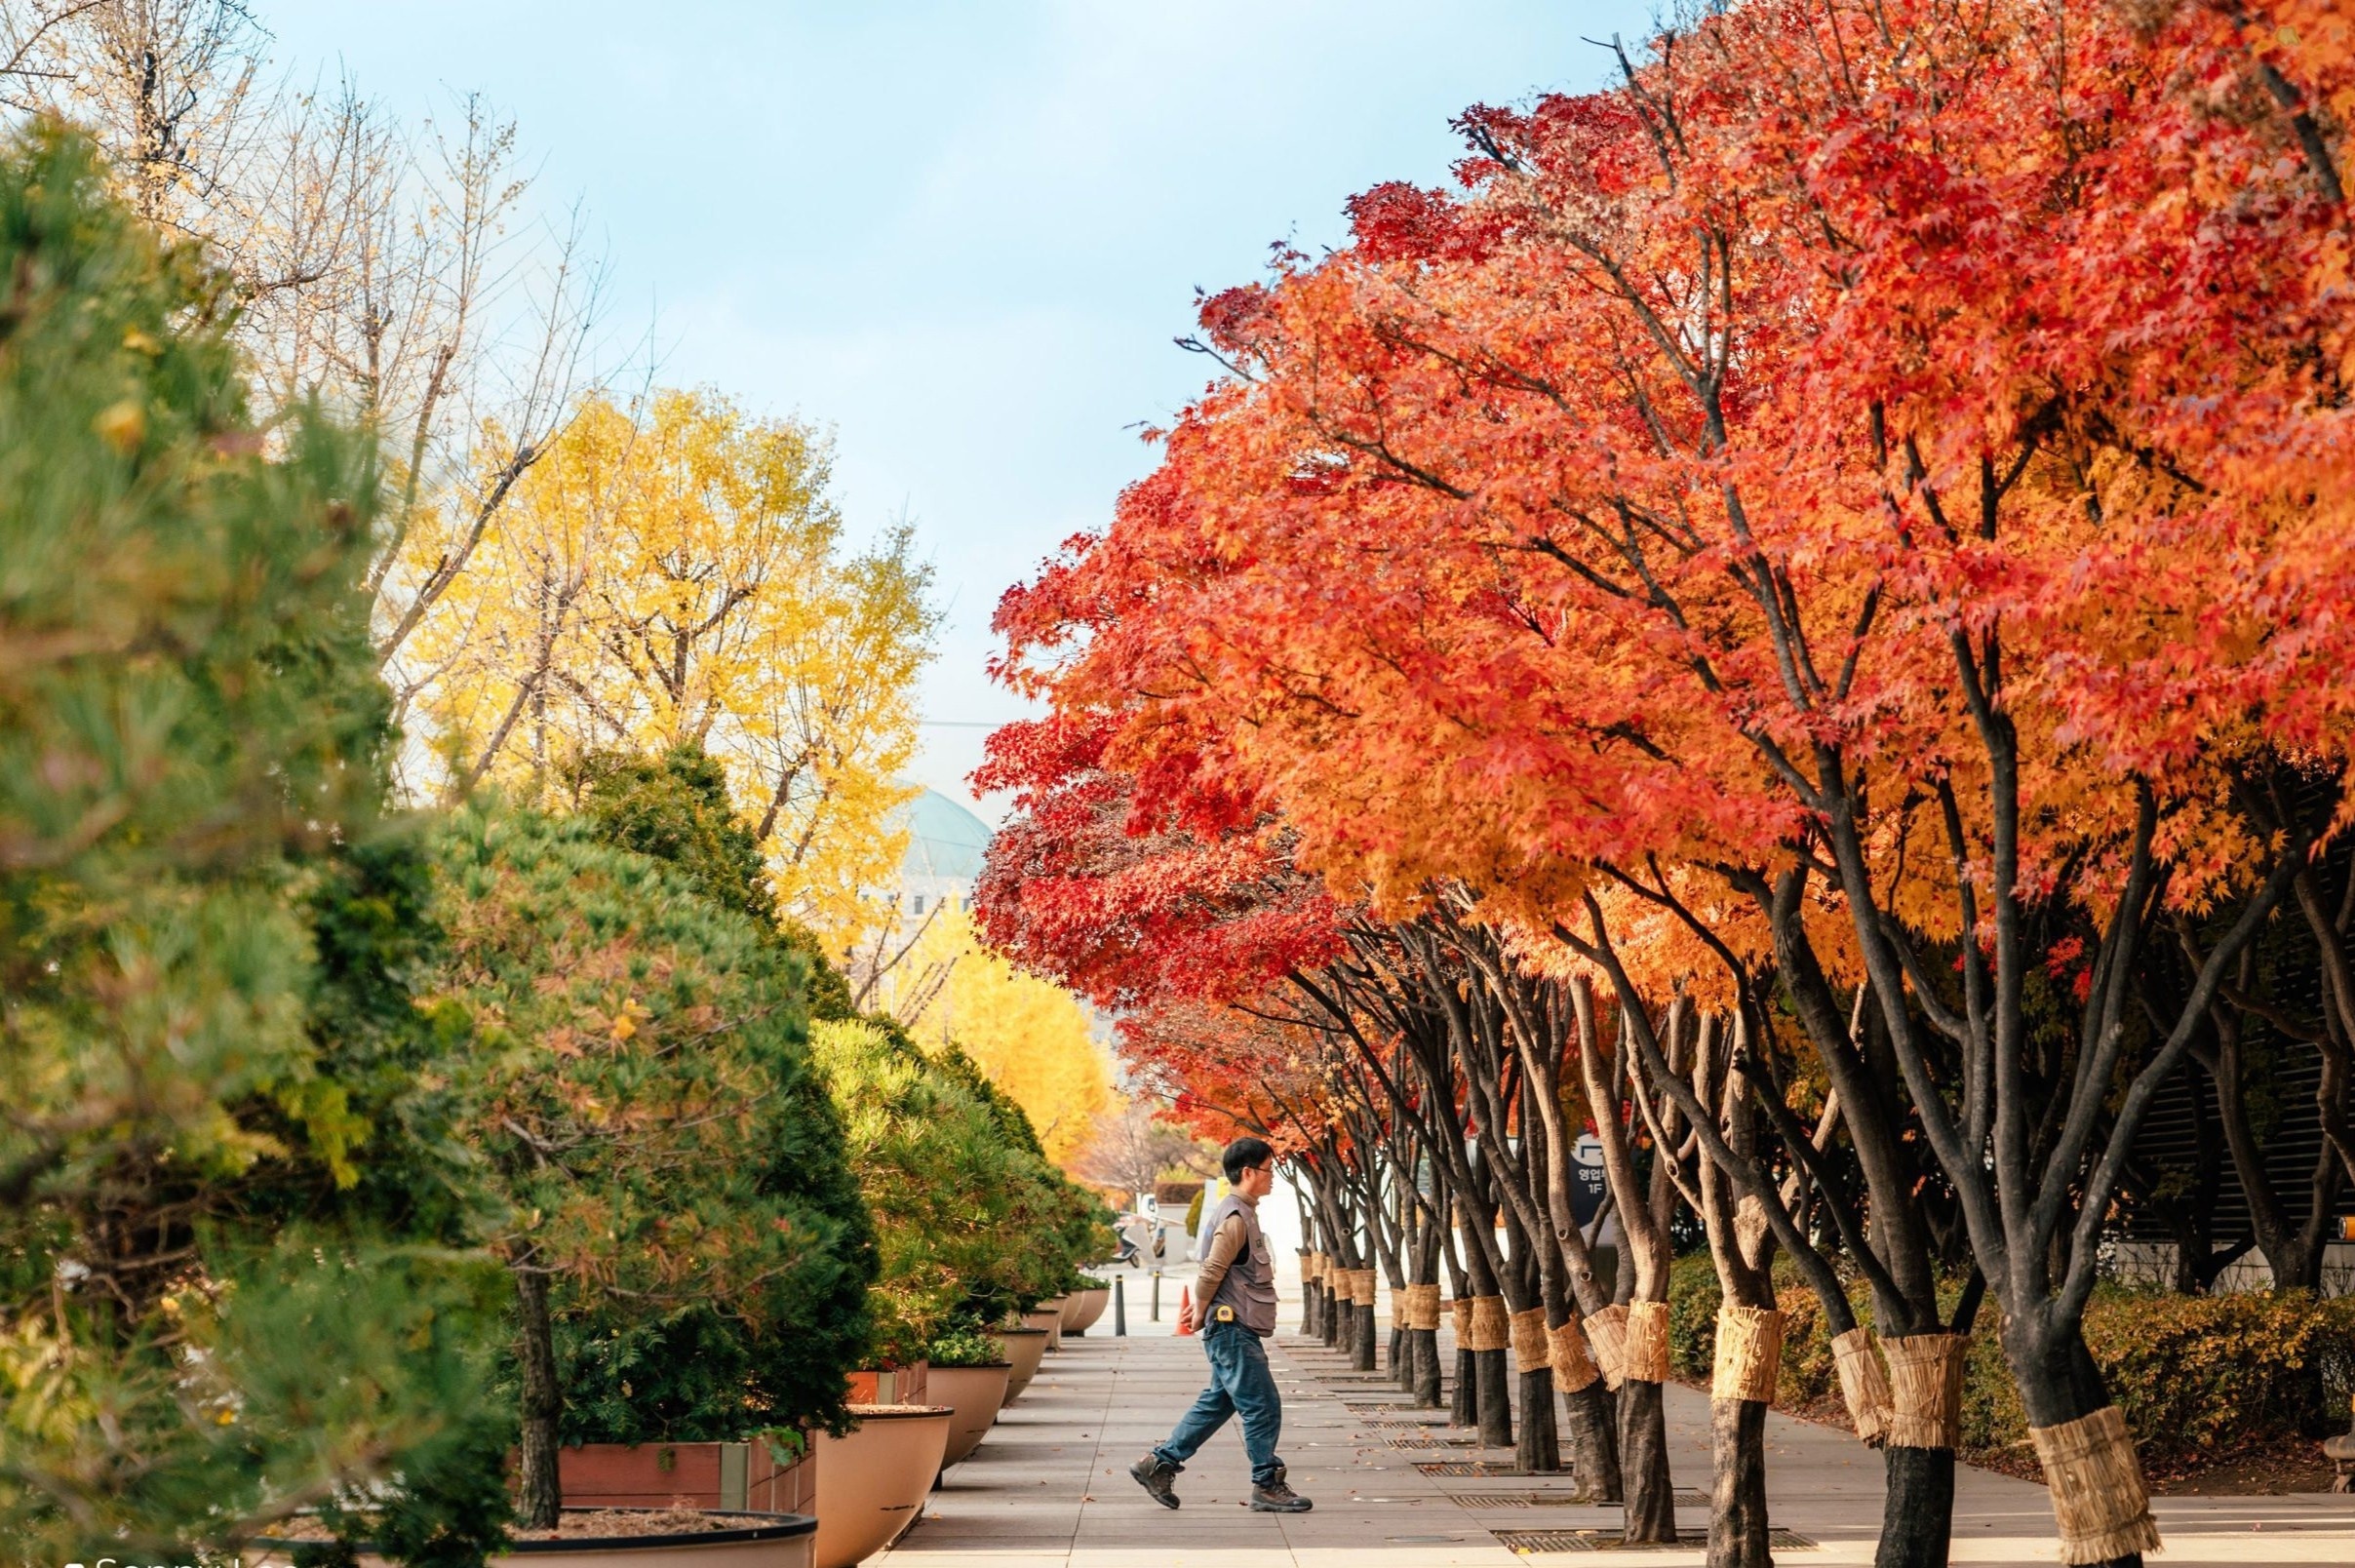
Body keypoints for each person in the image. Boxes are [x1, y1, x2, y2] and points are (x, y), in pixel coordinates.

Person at [1128, 1136, 1312, 1512]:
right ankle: (1266, 1483)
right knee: (1262, 1405)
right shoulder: (1234, 1218)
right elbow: (1212, 1268)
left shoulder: (1242, 1211)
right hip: (1231, 1328)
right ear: (1248, 1172)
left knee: (1219, 1401)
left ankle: (1157, 1463)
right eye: (1268, 1170)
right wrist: (1199, 1311)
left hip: (1233, 1327)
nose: (1272, 1177)